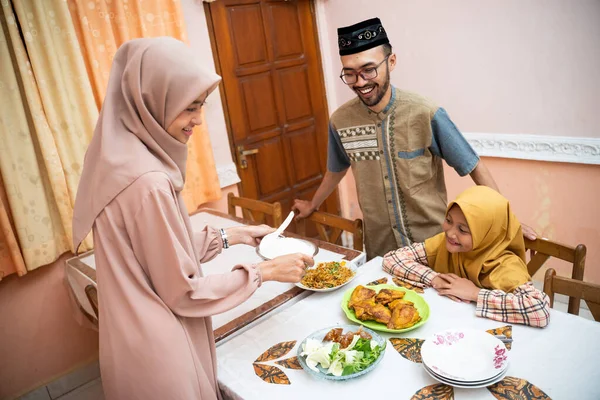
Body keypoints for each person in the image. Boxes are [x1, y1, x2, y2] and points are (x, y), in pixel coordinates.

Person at [72, 37, 313, 400]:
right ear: (152, 100)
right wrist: (265, 272)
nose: (198, 120)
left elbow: (158, 253)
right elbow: (183, 291)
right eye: (190, 107)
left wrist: (236, 235)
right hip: (161, 345)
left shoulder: (117, 159)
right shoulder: (148, 183)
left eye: (201, 106)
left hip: (127, 335)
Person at [293, 17, 535, 258]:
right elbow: (336, 169)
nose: (360, 82)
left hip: (435, 250)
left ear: (392, 61)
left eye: (369, 70)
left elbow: (472, 165)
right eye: (350, 74)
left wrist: (507, 220)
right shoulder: (340, 122)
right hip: (381, 253)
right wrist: (312, 204)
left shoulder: (425, 113)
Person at [382, 186, 550, 328]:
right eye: (448, 220)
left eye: (462, 230)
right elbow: (392, 259)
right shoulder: (445, 243)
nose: (450, 233)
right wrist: (435, 278)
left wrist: (475, 293)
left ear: (486, 233)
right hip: (448, 327)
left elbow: (539, 310)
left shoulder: (505, 265)